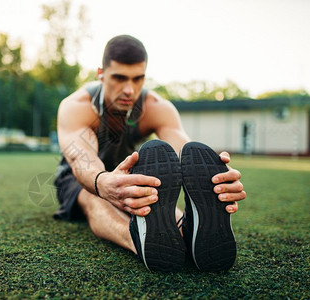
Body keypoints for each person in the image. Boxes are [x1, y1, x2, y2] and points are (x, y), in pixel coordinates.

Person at [54, 35, 246, 272]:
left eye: (138, 79)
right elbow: (80, 159)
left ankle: (185, 229)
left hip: (128, 170)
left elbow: (185, 151)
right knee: (94, 198)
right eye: (119, 78)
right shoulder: (77, 106)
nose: (129, 89)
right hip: (80, 177)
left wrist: (215, 176)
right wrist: (102, 182)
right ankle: (137, 239)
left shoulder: (156, 107)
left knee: (148, 190)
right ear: (101, 73)